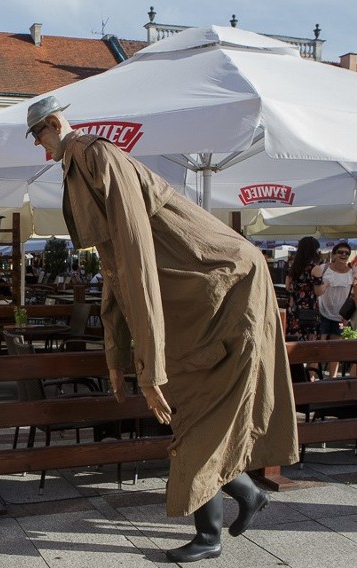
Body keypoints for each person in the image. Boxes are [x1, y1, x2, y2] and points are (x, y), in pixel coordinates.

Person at [27, 95, 298, 563]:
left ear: (54, 123)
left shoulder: (96, 155)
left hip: (227, 293)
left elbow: (135, 260)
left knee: (194, 426)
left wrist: (148, 371)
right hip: (199, 305)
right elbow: (117, 270)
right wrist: (119, 360)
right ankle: (248, 496)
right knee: (192, 423)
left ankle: (211, 536)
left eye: (39, 136)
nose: (39, 148)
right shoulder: (81, 163)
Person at [313, 242, 357, 378]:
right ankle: (311, 377)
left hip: (340, 316)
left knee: (335, 349)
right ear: (334, 254)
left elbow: (354, 292)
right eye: (340, 252)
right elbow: (317, 289)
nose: (343, 255)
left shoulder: (352, 272)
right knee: (317, 347)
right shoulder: (324, 268)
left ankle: (332, 379)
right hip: (322, 313)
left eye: (346, 253)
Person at [285, 236, 323, 379]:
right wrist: (326, 285)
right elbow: (318, 291)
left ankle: (295, 377)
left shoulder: (293, 268)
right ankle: (311, 378)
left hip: (293, 311)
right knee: (313, 346)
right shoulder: (315, 268)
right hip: (309, 312)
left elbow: (288, 287)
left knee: (294, 343)